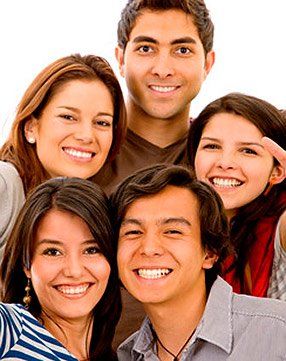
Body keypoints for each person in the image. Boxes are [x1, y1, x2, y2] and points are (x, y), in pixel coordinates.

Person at [110, 164, 286, 361]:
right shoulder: (128, 355)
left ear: (210, 252)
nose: (149, 248)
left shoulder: (277, 330)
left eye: (172, 231)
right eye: (133, 232)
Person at [0, 53, 126, 257]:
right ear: (31, 127)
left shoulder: (85, 209)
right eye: (68, 117)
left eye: (101, 122)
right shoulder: (5, 184)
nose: (86, 136)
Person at [94, 0, 215, 194]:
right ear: (121, 60)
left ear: (207, 64)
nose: (163, 70)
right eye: (146, 49)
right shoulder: (85, 145)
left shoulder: (225, 159)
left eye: (182, 50)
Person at [0, 177, 121, 360]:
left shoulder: (125, 354)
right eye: (53, 252)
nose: (74, 271)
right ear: (26, 263)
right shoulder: (8, 329)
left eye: (91, 250)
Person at [188, 92, 286, 300]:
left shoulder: (278, 225)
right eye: (212, 146)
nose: (225, 162)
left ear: (277, 172)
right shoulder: (178, 217)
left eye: (248, 151)